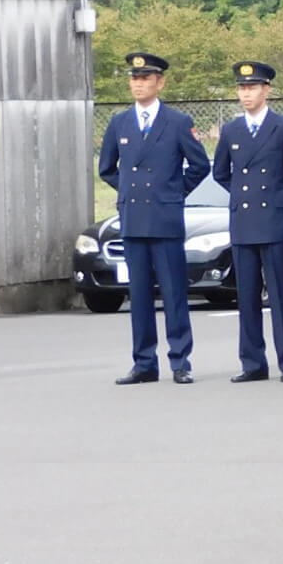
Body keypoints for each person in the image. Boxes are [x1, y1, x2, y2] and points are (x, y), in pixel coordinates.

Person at [98, 53, 211, 385]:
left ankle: (180, 360)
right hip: (134, 219)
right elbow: (107, 168)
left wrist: (173, 192)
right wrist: (129, 191)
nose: (139, 84)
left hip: (164, 219)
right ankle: (144, 361)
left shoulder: (176, 121)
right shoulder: (120, 122)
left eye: (146, 78)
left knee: (175, 293)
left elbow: (200, 165)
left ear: (160, 82)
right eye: (134, 78)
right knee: (140, 294)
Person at [211, 62, 283, 383]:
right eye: (242, 88)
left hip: (276, 221)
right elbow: (221, 172)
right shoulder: (231, 130)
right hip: (244, 222)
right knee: (247, 295)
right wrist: (247, 199)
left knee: (281, 294)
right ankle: (253, 362)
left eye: (252, 87)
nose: (246, 94)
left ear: (266, 90)